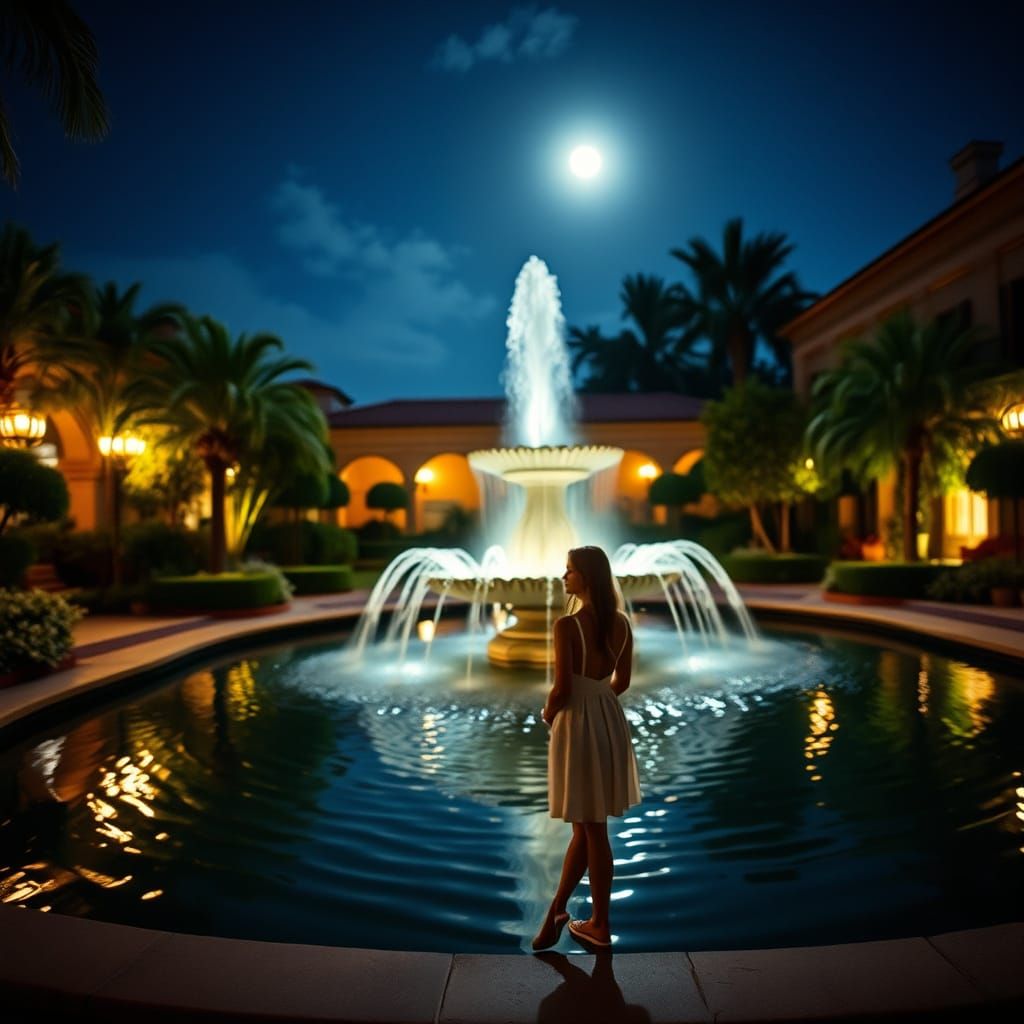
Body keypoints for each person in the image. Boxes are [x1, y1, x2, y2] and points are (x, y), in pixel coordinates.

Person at [532, 545, 642, 951]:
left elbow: (561, 689)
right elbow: (623, 681)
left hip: (577, 722)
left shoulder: (567, 626)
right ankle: (558, 911)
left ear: (588, 578)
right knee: (588, 824)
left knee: (593, 827)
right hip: (607, 718)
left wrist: (549, 712)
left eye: (570, 570)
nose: (564, 577)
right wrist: (599, 701)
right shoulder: (624, 625)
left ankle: (599, 923)